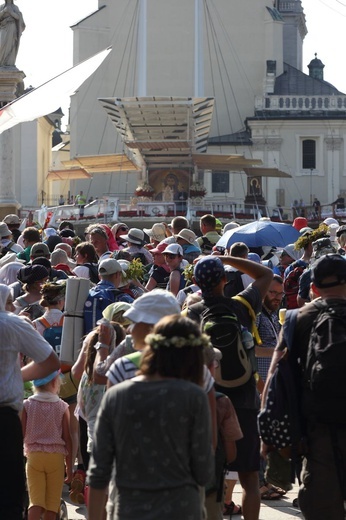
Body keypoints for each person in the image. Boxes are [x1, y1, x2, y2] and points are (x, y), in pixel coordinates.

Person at [87, 314, 214, 520]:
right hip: (181, 509)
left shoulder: (117, 395)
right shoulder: (193, 397)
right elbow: (204, 470)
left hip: (130, 509)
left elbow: (99, 471)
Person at [261, 254, 346, 520]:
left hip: (317, 434)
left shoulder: (299, 318)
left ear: (313, 288)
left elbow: (276, 375)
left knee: (322, 508)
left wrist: (268, 434)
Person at [188, 255, 273, 520]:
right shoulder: (243, 305)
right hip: (245, 401)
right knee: (250, 479)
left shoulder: (191, 313)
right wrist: (224, 256)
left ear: (195, 282)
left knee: (205, 477)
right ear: (225, 279)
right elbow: (265, 274)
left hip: (208, 402)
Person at [0, 283, 60, 520]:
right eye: (9, 301)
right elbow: (50, 362)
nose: (13, 305)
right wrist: (17, 376)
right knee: (8, 492)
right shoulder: (11, 323)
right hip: (3, 417)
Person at [22, 370, 73, 520]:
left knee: (35, 502)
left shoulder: (27, 405)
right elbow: (68, 438)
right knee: (52, 505)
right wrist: (69, 467)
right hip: (56, 459)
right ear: (54, 383)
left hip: (34, 457)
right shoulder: (62, 407)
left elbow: (21, 434)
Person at [0, 0, 25, 67]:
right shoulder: (2, 7)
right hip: (3, 27)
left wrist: (11, 12)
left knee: (10, 45)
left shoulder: (15, 7)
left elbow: (18, 18)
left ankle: (8, 63)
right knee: (1, 45)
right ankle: (1, 63)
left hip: (12, 27)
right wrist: (4, 11)